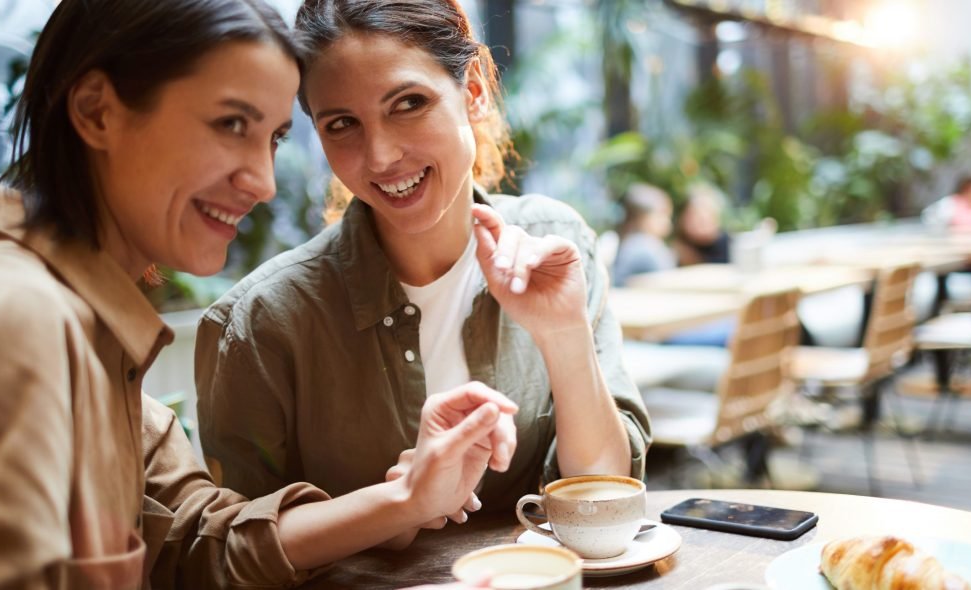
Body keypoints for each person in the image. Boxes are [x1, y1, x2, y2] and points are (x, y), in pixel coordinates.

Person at [0, 1, 518, 587]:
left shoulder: (92, 330)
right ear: (98, 112)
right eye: (231, 124)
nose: (262, 182)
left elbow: (200, 541)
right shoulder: (13, 320)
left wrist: (408, 498)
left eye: (274, 138)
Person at [195, 0, 651, 548]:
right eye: (342, 124)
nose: (382, 155)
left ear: (475, 88)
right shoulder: (264, 321)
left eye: (409, 103)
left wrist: (562, 334)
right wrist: (397, 507)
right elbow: (238, 552)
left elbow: (600, 496)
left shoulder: (556, 243)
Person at [611, 182, 676, 286]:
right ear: (643, 218)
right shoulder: (646, 248)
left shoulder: (630, 242)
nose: (668, 222)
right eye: (663, 214)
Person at [673, 182, 731, 266]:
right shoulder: (678, 246)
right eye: (693, 216)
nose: (699, 223)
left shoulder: (729, 246)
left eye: (704, 218)